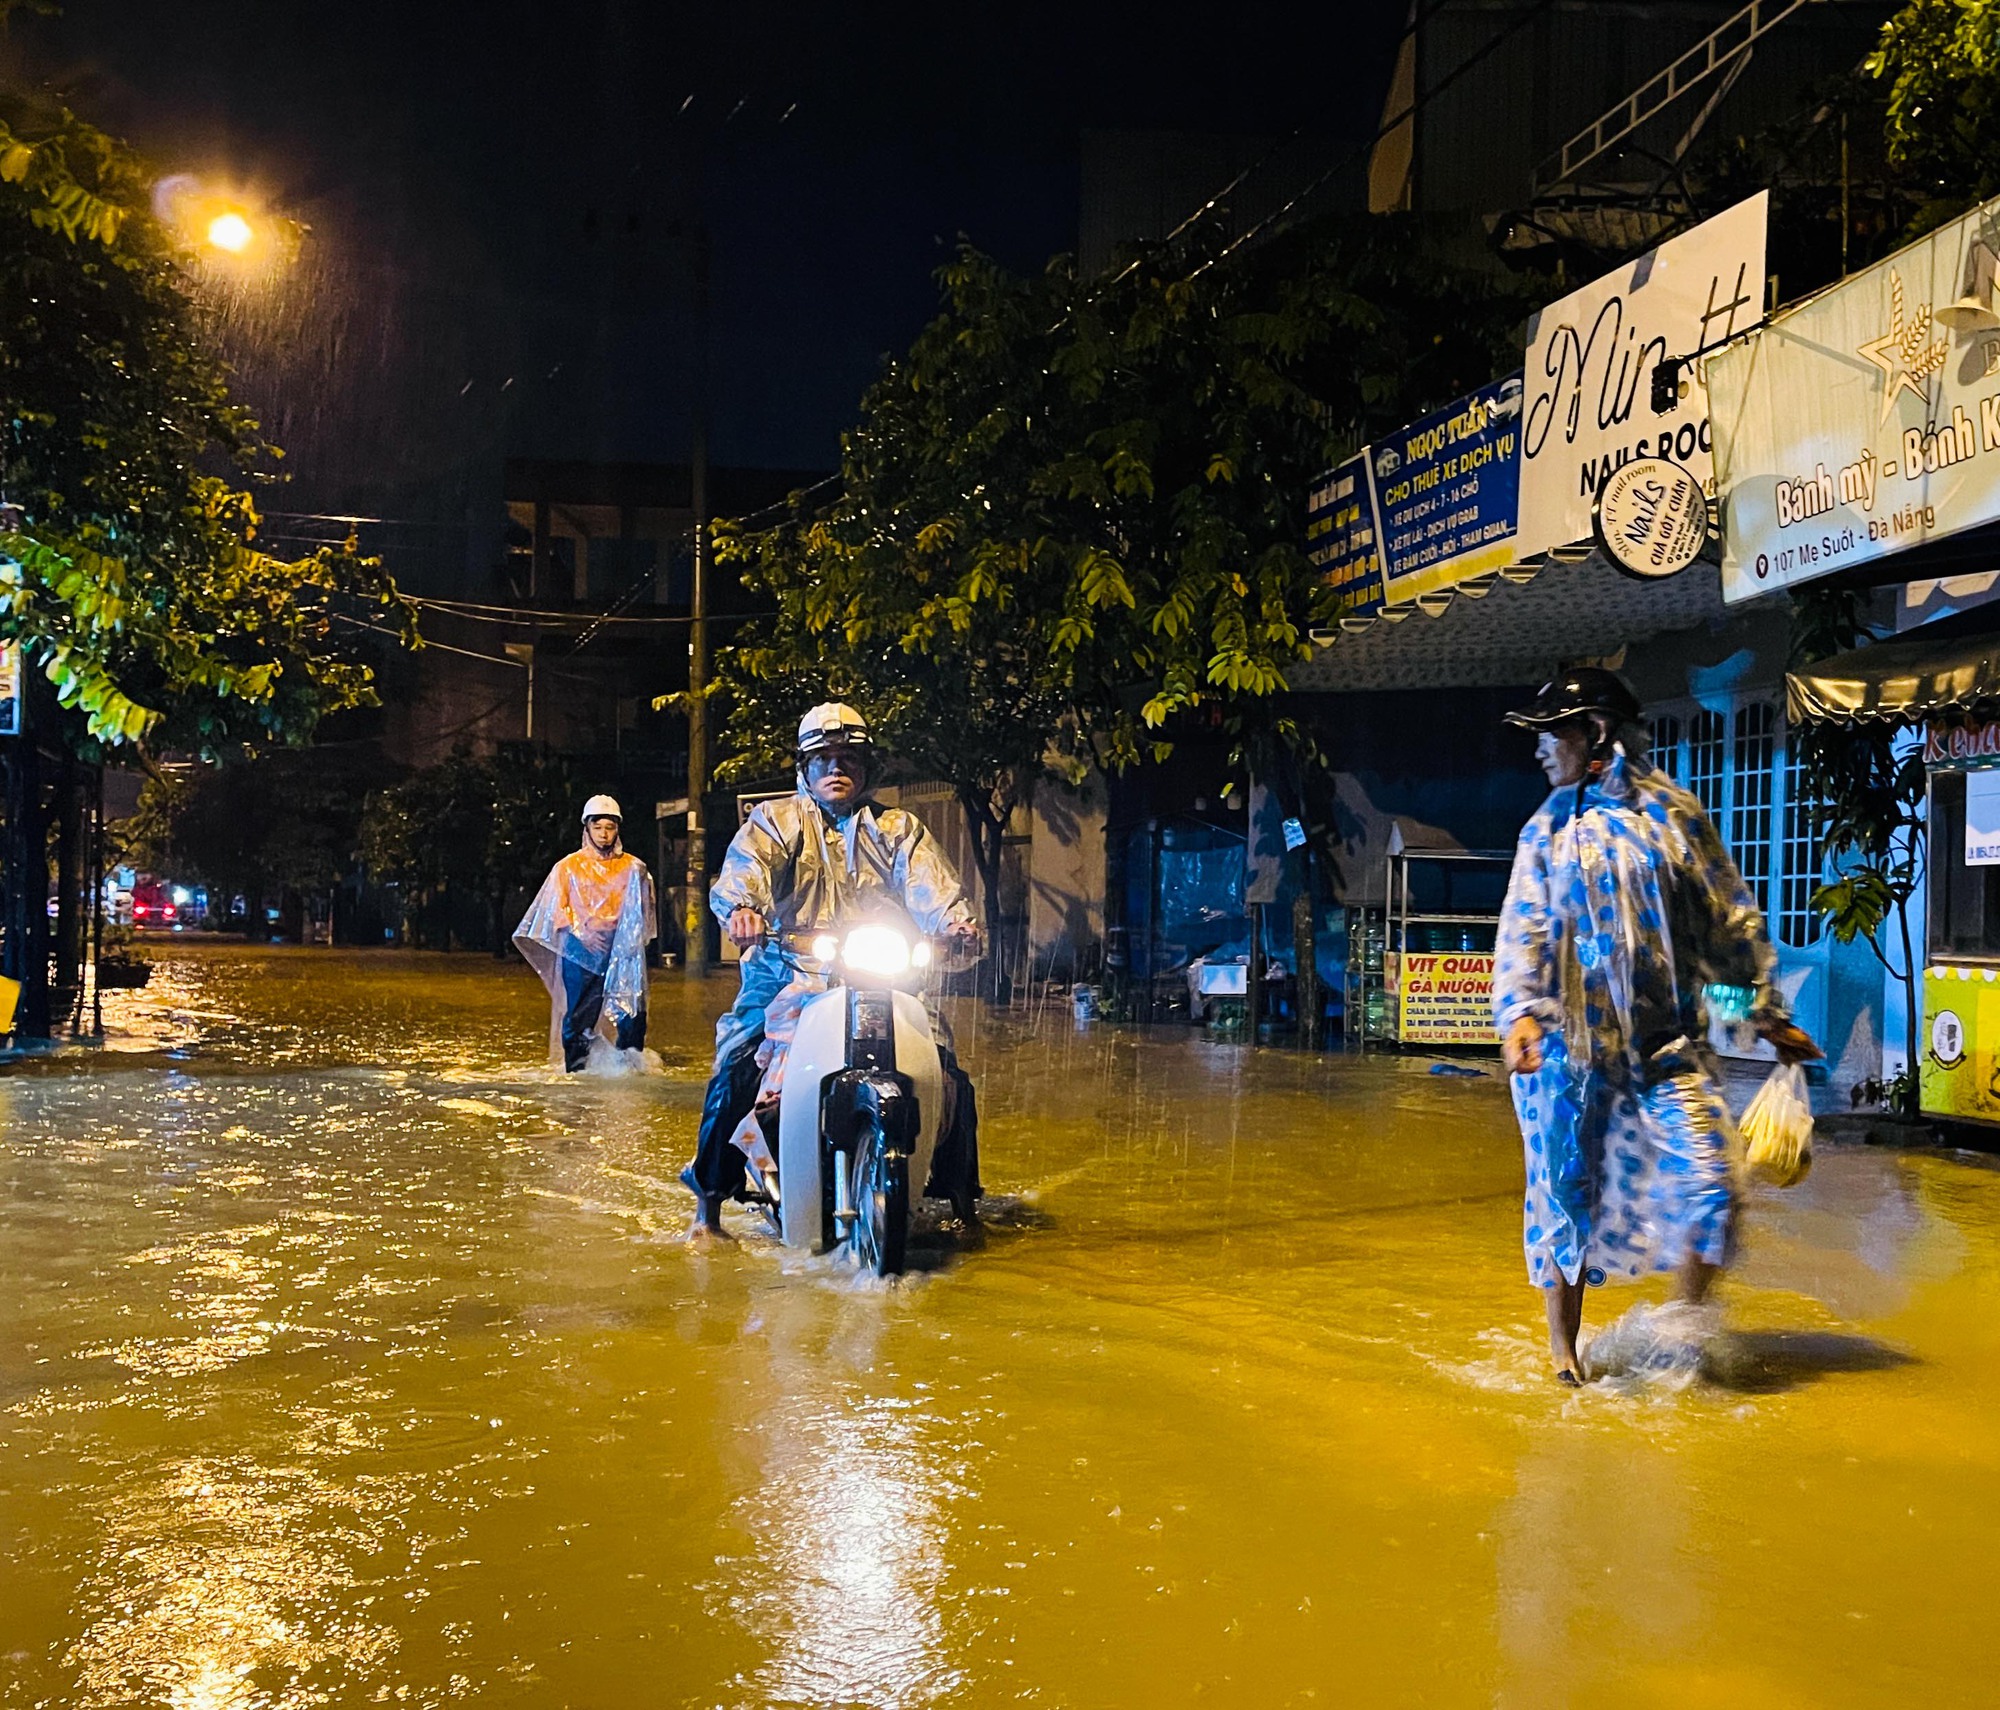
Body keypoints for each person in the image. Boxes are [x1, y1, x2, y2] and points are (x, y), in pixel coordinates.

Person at [1492, 668, 1821, 1386]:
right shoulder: (1546, 829)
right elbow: (1525, 930)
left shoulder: (1675, 818)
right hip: (1568, 1047)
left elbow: (1723, 932)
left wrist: (1764, 1019)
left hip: (1666, 1046)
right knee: (1564, 1194)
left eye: (1556, 733)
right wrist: (1517, 1013)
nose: (1542, 748)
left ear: (1598, 735)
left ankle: (1682, 1333)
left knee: (1713, 1184)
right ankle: (1563, 1360)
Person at [682, 702, 982, 1236]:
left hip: (884, 976)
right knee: (736, 1067)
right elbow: (742, 876)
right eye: (824, 758)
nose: (836, 768)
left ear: (868, 768)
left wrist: (957, 926)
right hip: (786, 975)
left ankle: (963, 1199)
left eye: (849, 757)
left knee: (947, 1069)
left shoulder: (899, 828)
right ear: (805, 766)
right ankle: (709, 1203)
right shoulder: (773, 822)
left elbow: (933, 888)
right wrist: (743, 910)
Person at [513, 794, 657, 1072]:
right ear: (587, 829)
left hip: (623, 951)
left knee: (631, 1013)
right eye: (598, 827)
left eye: (610, 827)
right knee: (580, 1015)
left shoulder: (634, 867)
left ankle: (631, 1071)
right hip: (581, 951)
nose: (604, 834)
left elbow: (645, 911)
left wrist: (630, 942)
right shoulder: (567, 867)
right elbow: (555, 910)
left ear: (618, 830)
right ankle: (577, 1072)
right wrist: (583, 933)